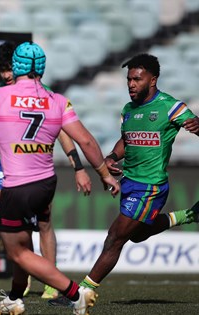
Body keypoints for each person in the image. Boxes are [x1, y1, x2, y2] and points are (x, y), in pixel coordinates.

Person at [0, 42, 120, 315]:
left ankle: (76, 293)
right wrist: (105, 174)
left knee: (17, 251)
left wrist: (3, 129)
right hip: (46, 184)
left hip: (16, 186)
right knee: (24, 240)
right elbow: (85, 140)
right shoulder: (57, 101)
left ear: (16, 66)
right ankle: (15, 297)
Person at [74, 53, 199, 307]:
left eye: (137, 79)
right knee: (138, 235)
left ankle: (82, 293)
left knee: (115, 237)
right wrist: (111, 157)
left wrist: (197, 124)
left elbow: (193, 123)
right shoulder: (128, 109)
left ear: (152, 80)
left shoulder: (170, 106)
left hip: (151, 186)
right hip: (130, 182)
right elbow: (125, 140)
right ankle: (187, 215)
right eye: (129, 79)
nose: (131, 84)